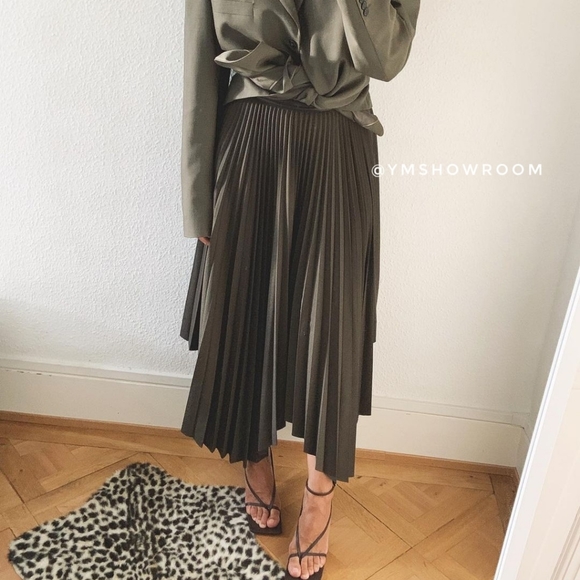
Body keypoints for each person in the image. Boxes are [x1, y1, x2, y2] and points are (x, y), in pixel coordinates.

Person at [178, 0, 421, 578]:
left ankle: (319, 496)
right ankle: (254, 456)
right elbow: (199, 61)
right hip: (249, 143)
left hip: (340, 142)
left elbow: (386, 57)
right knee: (246, 313)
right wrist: (196, 197)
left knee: (331, 328)